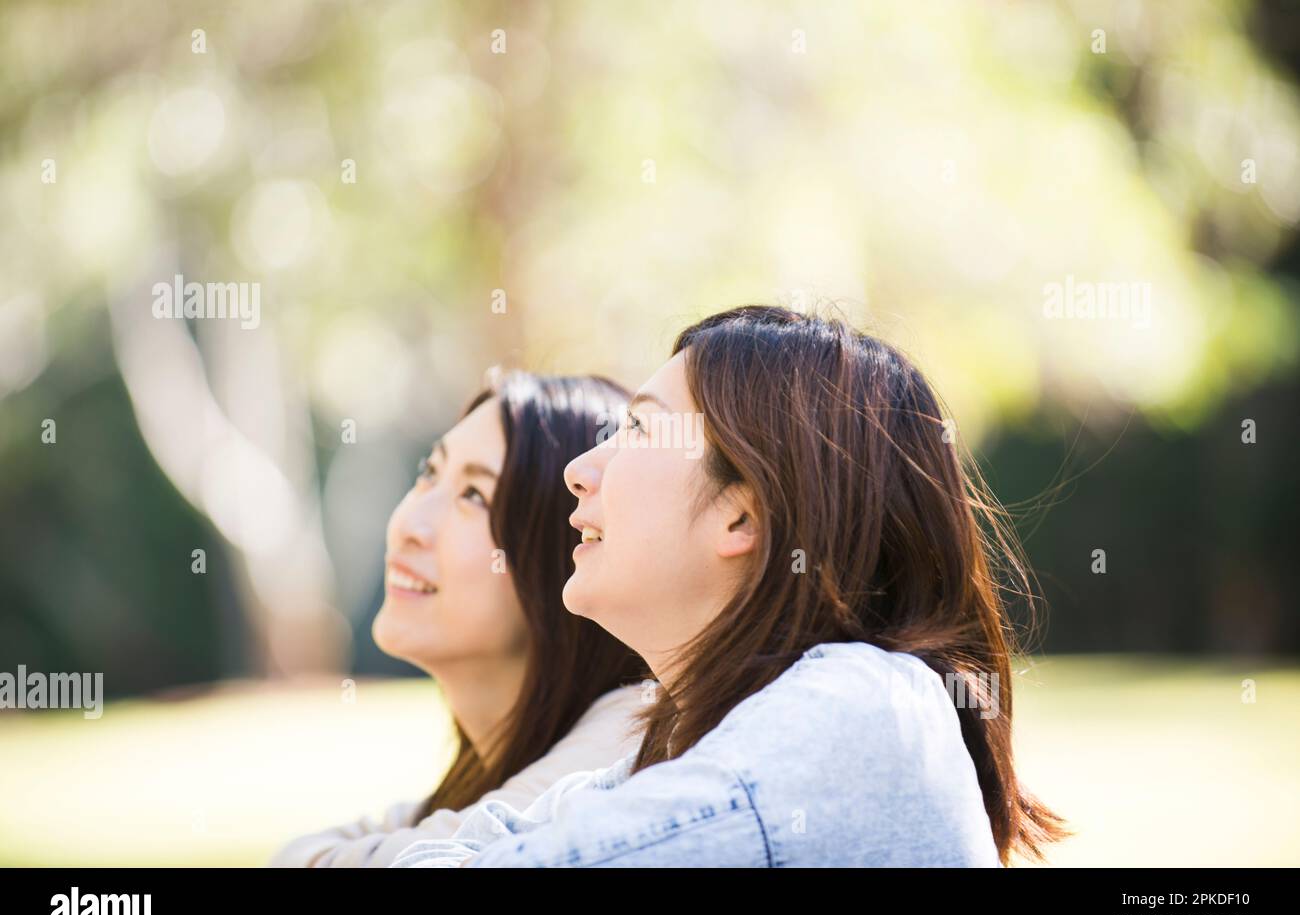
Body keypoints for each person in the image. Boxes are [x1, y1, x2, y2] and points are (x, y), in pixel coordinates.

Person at [391, 305, 1071, 867]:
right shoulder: (671, 748)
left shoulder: (857, 709)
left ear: (744, 512)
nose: (580, 469)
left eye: (637, 428)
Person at [271, 371, 648, 867]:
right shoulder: (489, 780)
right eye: (429, 473)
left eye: (474, 495)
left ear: (573, 548)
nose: (410, 524)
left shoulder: (628, 734)